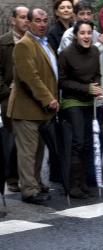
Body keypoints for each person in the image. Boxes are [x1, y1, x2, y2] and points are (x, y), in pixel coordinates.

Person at [7, 8, 59, 204]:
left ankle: (36, 184)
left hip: (41, 110)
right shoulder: (24, 45)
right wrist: (49, 99)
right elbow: (30, 78)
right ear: (27, 23)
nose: (42, 24)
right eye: (37, 20)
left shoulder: (45, 44)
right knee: (28, 153)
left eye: (45, 20)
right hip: (26, 109)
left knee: (38, 151)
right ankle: (29, 191)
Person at [58, 19, 103, 199]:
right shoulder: (66, 54)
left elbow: (97, 74)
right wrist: (87, 89)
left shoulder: (94, 51)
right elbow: (61, 82)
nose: (86, 36)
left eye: (89, 33)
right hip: (72, 102)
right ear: (75, 35)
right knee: (76, 142)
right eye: (82, 33)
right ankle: (72, 185)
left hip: (89, 102)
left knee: (86, 143)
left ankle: (82, 183)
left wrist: (98, 89)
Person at [0, 6, 29, 193]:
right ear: (13, 20)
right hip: (9, 96)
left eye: (28, 17)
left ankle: (30, 179)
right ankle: (11, 178)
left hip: (29, 97)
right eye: (22, 17)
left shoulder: (33, 42)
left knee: (29, 140)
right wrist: (5, 92)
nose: (26, 21)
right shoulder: (4, 43)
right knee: (11, 138)